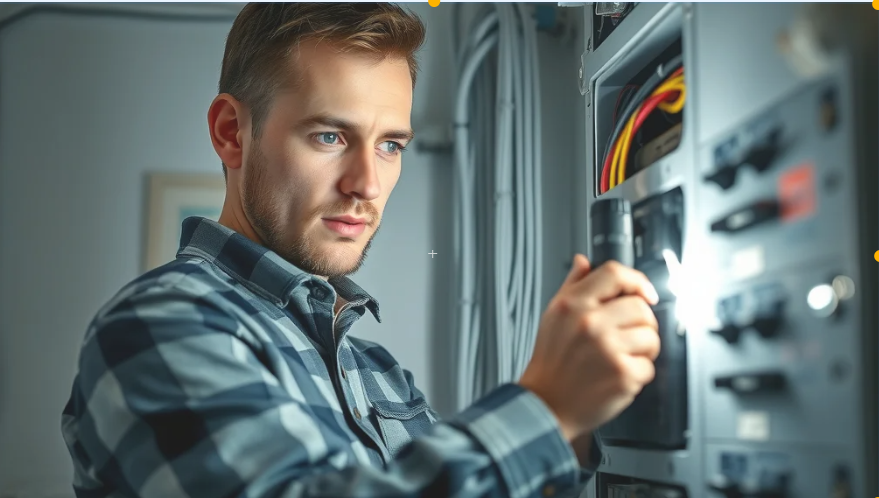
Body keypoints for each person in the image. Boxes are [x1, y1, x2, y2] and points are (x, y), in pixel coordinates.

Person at [61, 3, 661, 497]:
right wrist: (547, 408)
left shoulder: (377, 374)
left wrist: (580, 424)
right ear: (230, 132)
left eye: (390, 145)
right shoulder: (160, 327)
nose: (367, 185)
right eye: (329, 136)